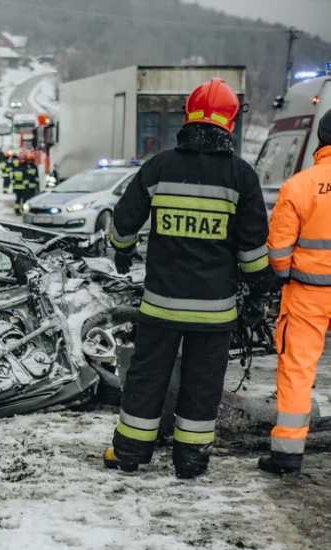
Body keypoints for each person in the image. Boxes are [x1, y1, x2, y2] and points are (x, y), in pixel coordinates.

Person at [103, 78, 271, 479]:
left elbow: (123, 223)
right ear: (230, 122)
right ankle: (191, 460)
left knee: (147, 377)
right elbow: (252, 251)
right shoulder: (241, 176)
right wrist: (257, 293)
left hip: (161, 304)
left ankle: (129, 453)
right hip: (214, 313)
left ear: (188, 117)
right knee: (202, 384)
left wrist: (123, 249)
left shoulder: (159, 166)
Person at [260, 109, 331, 475]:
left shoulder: (300, 185)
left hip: (307, 294)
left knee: (298, 371)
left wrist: (287, 275)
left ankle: (287, 454)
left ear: (322, 139)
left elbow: (278, 251)